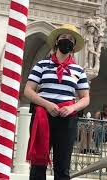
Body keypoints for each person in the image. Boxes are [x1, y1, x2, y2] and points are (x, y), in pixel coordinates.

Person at [24, 24, 90, 180]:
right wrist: (47, 104)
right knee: (38, 165)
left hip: (67, 119)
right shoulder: (41, 65)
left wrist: (72, 107)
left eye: (70, 39)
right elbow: (28, 90)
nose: (66, 41)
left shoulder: (78, 70)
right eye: (63, 38)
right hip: (42, 118)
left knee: (62, 166)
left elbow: (85, 98)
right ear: (56, 42)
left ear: (73, 46)